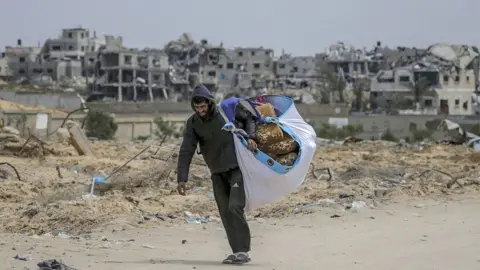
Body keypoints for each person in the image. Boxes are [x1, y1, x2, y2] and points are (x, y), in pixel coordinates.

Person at [176, 85, 257, 264]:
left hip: (237, 168)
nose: (201, 110)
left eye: (203, 106)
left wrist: (251, 137)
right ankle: (237, 252)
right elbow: (186, 150)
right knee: (225, 212)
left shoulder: (225, 112)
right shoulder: (193, 123)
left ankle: (243, 250)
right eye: (197, 108)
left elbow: (249, 117)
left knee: (235, 206)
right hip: (216, 172)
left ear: (209, 103)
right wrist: (182, 177)